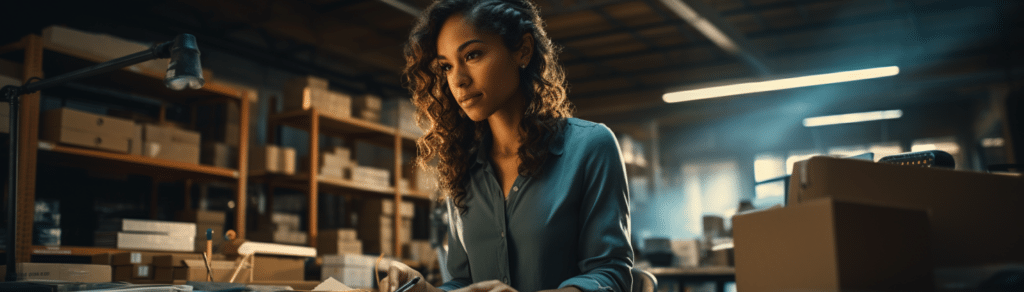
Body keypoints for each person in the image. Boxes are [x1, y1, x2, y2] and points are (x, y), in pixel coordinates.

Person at [378, 0, 633, 291]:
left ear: (523, 50)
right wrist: (428, 290)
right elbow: (464, 281)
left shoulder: (590, 147)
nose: (458, 80)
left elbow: (611, 273)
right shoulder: (461, 167)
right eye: (446, 66)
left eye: (472, 55)